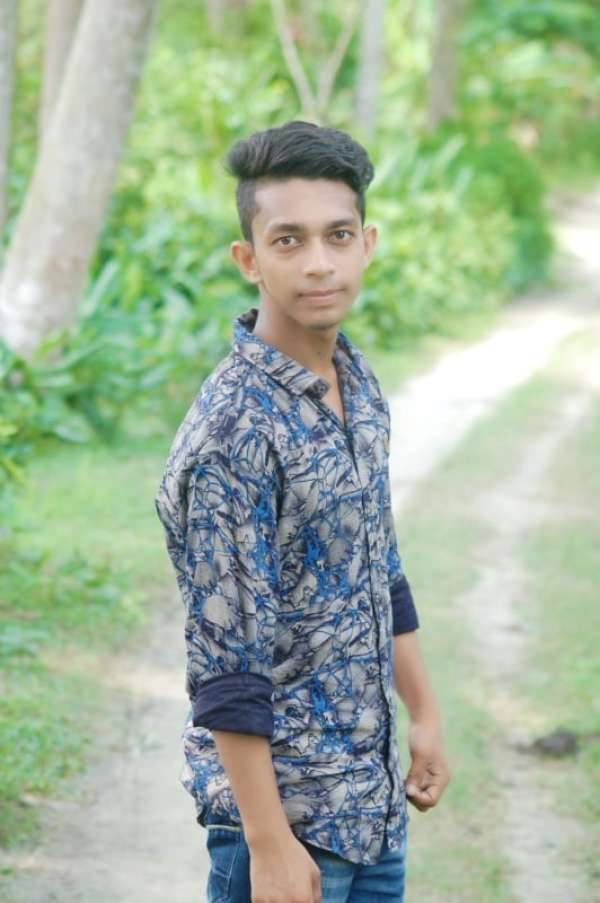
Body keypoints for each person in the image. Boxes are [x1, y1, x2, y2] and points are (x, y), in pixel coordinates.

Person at [154, 120, 451, 903]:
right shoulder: (234, 431)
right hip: (286, 824)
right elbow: (225, 662)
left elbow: (380, 567)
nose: (319, 262)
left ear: (367, 244)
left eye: (337, 235)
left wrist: (423, 712)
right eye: (289, 240)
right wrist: (268, 843)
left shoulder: (355, 383)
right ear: (248, 259)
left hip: (371, 808)